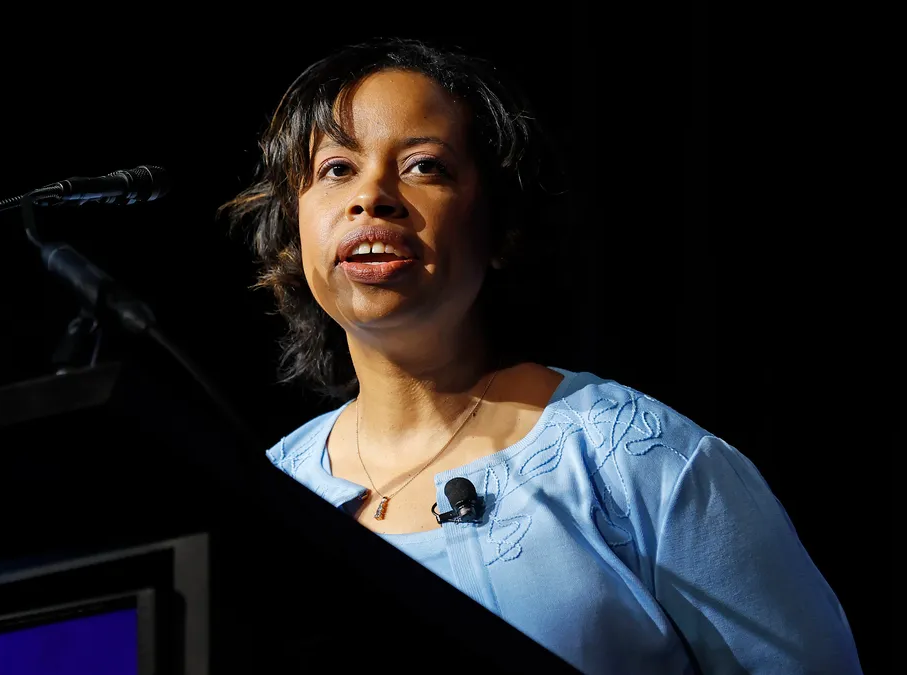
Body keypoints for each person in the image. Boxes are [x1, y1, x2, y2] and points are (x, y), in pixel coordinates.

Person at [221, 38, 861, 674]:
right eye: (336, 169)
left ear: (499, 227)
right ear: (294, 224)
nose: (372, 197)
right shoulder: (268, 492)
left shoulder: (638, 459)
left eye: (425, 166)